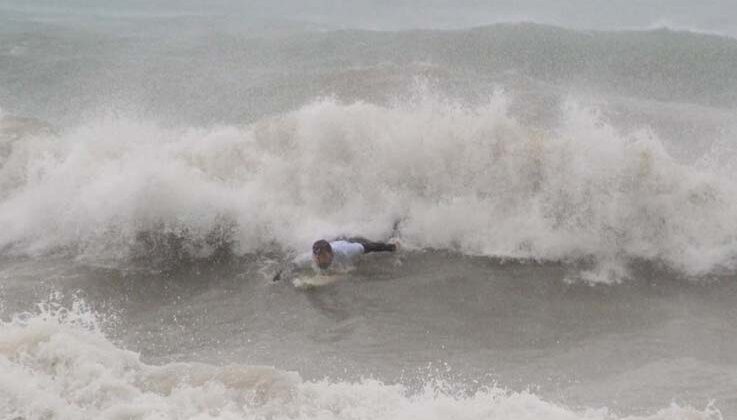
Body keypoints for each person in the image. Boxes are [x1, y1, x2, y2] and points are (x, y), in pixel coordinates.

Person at [272, 237, 399, 281]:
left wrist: (391, 247)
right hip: (334, 242)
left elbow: (370, 247)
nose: (319, 261)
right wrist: (277, 279)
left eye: (323, 257)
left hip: (352, 240)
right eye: (317, 257)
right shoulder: (309, 258)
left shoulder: (347, 251)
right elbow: (291, 265)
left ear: (331, 254)